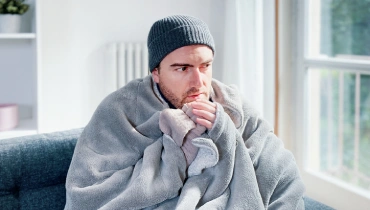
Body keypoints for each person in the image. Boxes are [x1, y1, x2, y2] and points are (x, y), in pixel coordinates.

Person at [65, 15, 305, 209]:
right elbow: (85, 195)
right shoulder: (120, 110)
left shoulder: (232, 105)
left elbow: (281, 171)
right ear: (156, 72)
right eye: (182, 68)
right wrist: (178, 152)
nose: (198, 81)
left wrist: (226, 135)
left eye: (205, 66)